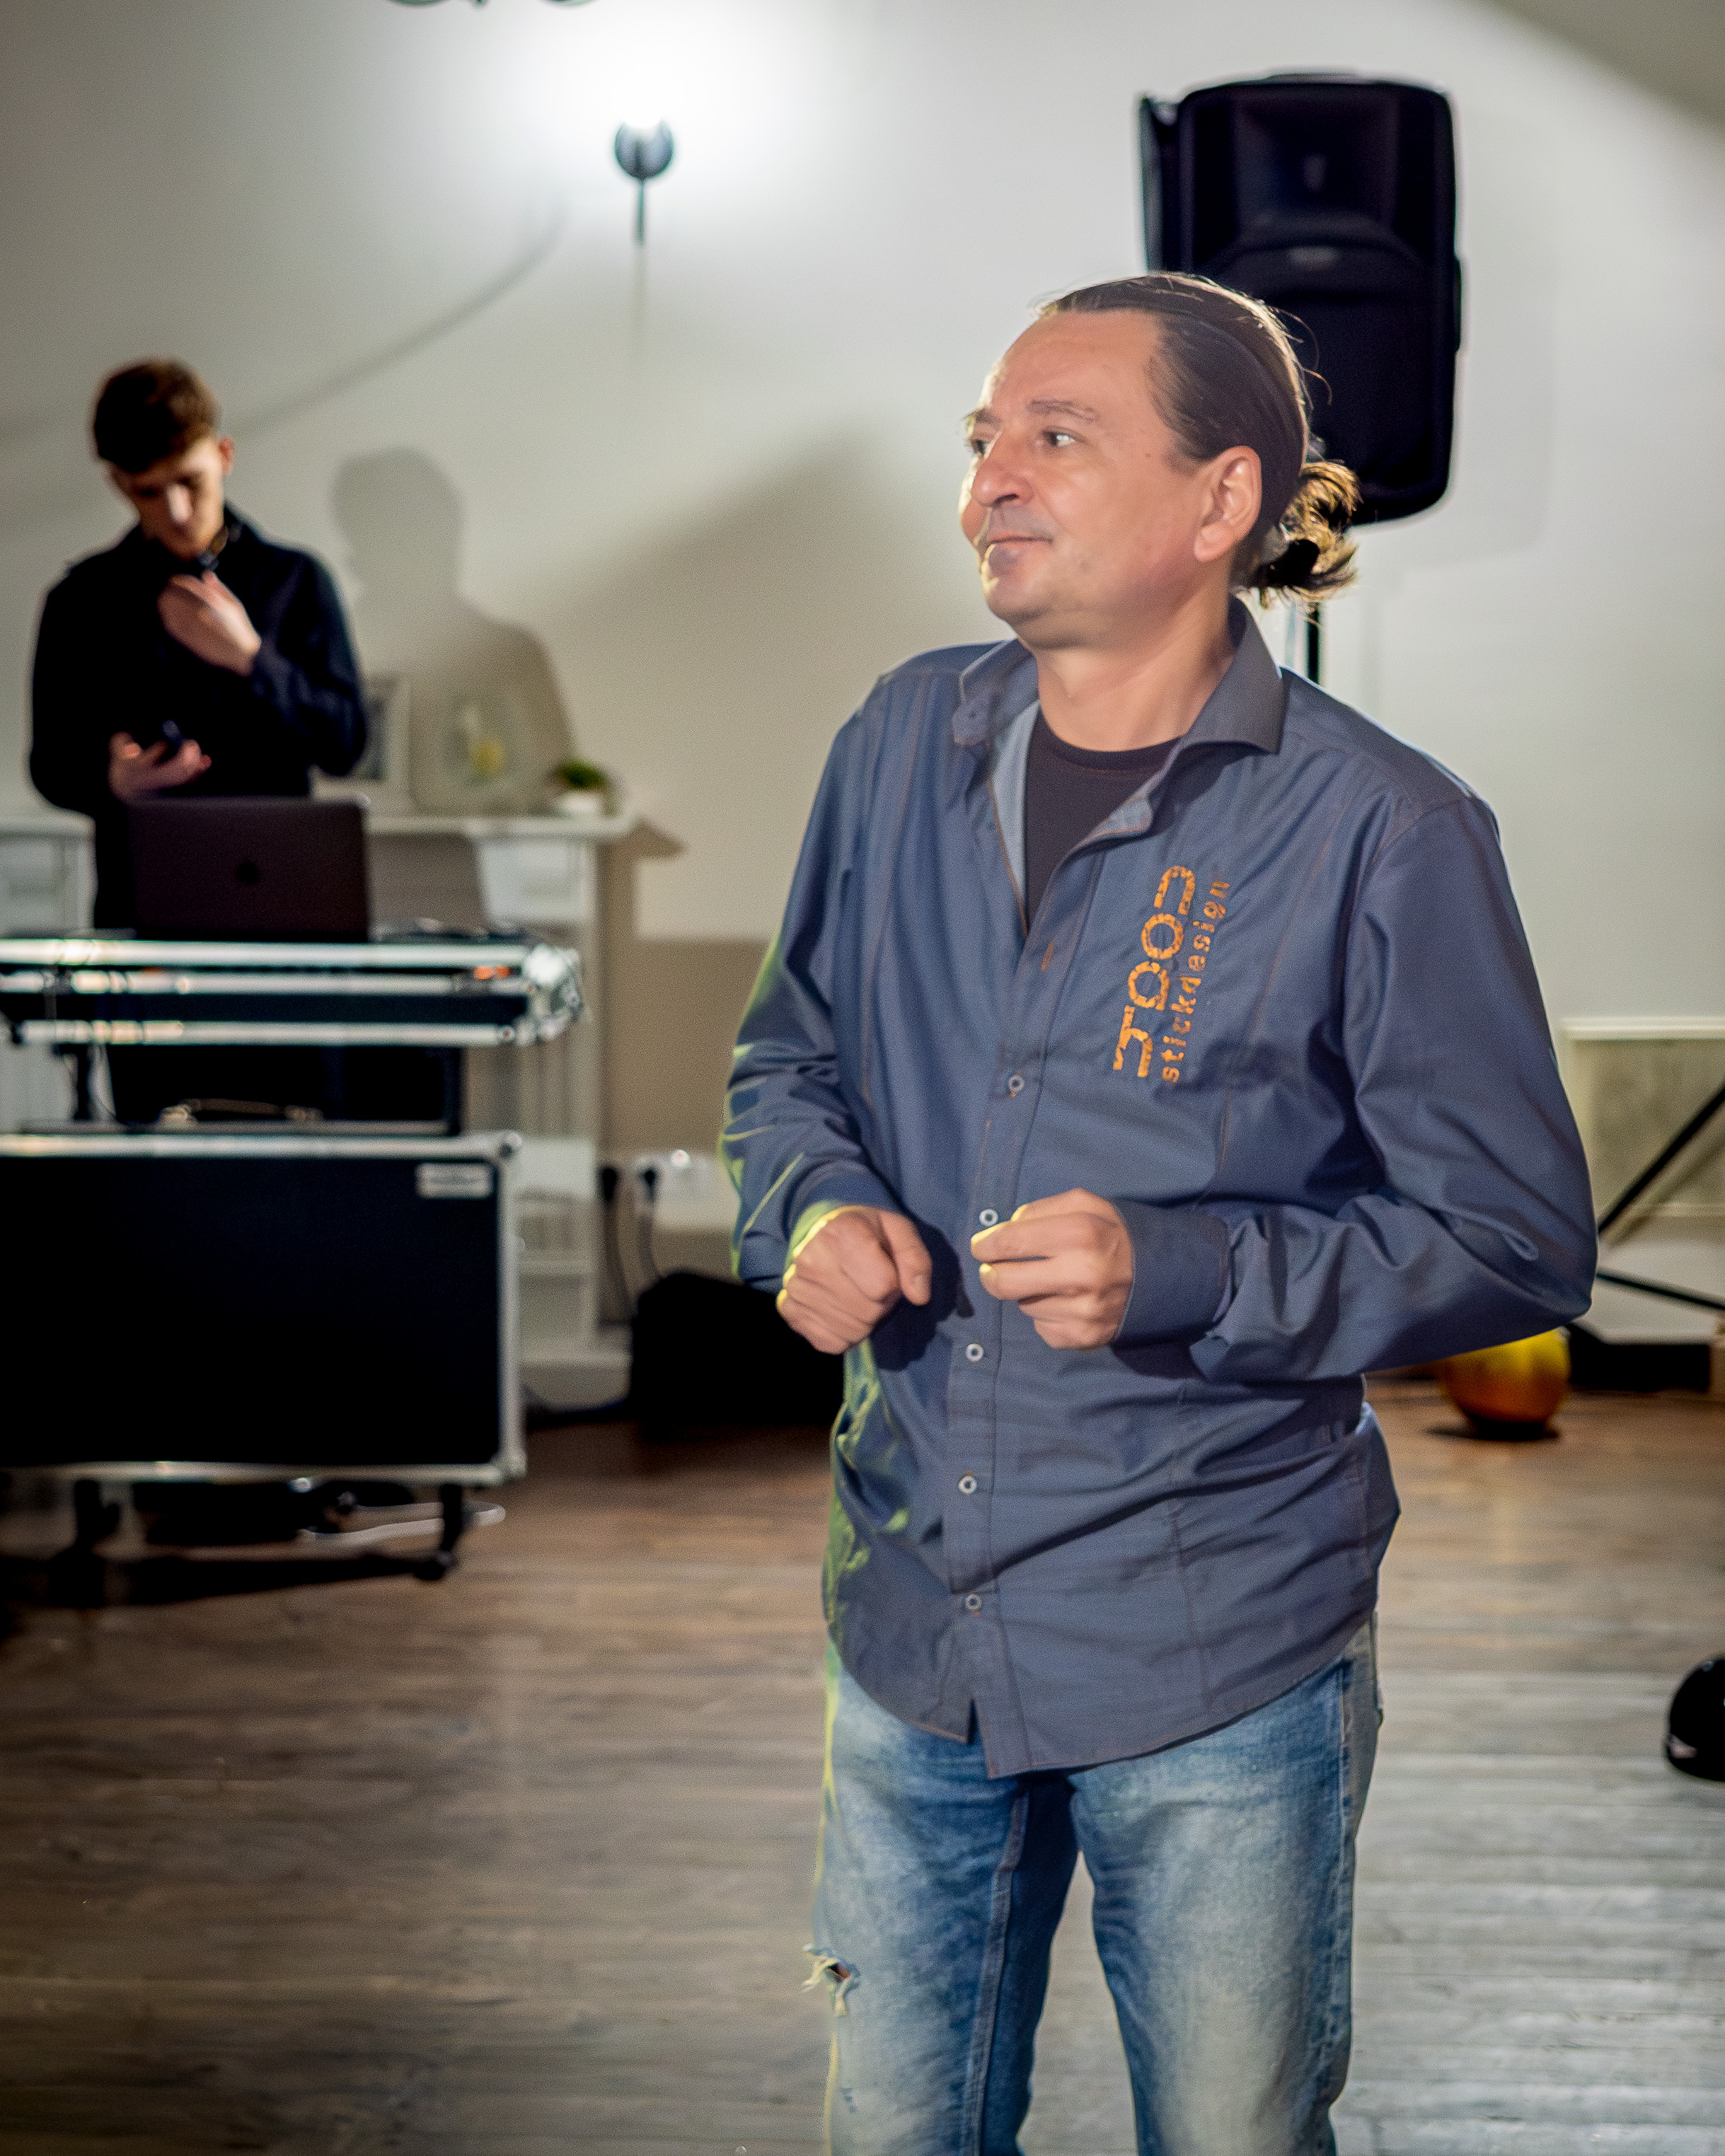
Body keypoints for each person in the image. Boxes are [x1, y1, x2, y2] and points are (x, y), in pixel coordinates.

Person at [722, 273, 1596, 2154]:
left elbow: (1515, 1236)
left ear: (1219, 502)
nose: (989, 484)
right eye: (982, 441)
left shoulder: (1384, 830)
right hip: (908, 1619)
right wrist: (811, 1206)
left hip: (1214, 1644)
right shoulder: (896, 743)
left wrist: (1186, 1268)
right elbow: (786, 1057)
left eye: (1054, 437)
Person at [28, 359, 388, 1122]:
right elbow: (49, 765)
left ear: (223, 455)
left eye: (190, 481)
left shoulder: (296, 582)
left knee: (296, 1153)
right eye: (148, 491)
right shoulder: (82, 600)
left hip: (287, 932)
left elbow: (346, 742)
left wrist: (253, 658)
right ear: (118, 484)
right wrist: (112, 781)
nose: (176, 510)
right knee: (156, 1151)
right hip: (145, 929)